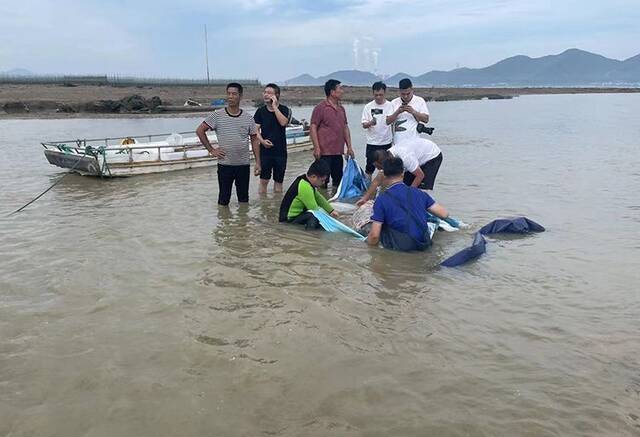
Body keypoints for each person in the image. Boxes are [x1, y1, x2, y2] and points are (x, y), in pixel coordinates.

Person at [196, 82, 260, 206]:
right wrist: (211, 150)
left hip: (243, 164)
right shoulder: (217, 115)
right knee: (223, 199)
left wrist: (258, 162)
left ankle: (242, 224)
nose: (231, 97)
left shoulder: (248, 118)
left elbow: (254, 140)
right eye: (229, 94)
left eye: (234, 94)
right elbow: (200, 130)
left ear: (240, 96)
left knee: (244, 200)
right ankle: (224, 224)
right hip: (225, 164)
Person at [367, 157, 450, 251]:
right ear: (402, 173)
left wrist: (369, 249)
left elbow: (374, 236)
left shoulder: (381, 200)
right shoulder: (420, 193)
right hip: (424, 244)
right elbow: (444, 214)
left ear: (384, 175)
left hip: (402, 247)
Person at [356, 139, 442, 206]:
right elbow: (377, 181)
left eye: (378, 166)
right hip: (416, 158)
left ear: (382, 162)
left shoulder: (405, 157)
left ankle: (429, 210)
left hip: (432, 156)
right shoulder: (388, 157)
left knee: (422, 189)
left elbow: (420, 175)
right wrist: (365, 198)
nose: (378, 169)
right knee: (405, 185)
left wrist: (409, 194)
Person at [310, 79, 355, 189]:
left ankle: (336, 204)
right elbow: (313, 127)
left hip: (338, 152)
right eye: (340, 88)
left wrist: (349, 147)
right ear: (332, 92)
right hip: (324, 153)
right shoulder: (321, 107)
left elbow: (345, 127)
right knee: (322, 182)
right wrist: (316, 148)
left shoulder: (341, 109)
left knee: (338, 181)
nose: (342, 91)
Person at [254, 83, 292, 194]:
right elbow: (255, 130)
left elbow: (283, 122)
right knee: (263, 181)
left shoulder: (285, 109)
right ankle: (263, 208)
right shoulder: (260, 111)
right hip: (265, 152)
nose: (266, 95)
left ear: (277, 95)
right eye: (265, 92)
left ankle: (276, 206)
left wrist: (274, 106)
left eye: (269, 93)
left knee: (279, 182)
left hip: (280, 152)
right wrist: (262, 141)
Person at [279, 160, 339, 229]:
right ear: (314, 177)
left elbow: (319, 198)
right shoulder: (304, 187)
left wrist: (331, 210)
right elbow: (314, 209)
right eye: (322, 180)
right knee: (313, 216)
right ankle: (311, 236)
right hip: (287, 221)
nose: (323, 183)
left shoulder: (306, 182)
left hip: (298, 216)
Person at [361, 81, 394, 179]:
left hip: (386, 142)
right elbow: (364, 124)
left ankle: (384, 189)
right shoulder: (368, 107)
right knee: (369, 168)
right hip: (372, 143)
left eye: (381, 95)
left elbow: (392, 121)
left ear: (385, 93)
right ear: (373, 93)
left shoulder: (390, 105)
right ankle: (368, 188)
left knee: (386, 168)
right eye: (376, 95)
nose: (378, 97)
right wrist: (370, 123)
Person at [386, 78, 430, 144]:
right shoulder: (394, 102)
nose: (405, 96)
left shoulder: (420, 101)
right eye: (403, 94)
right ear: (399, 91)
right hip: (398, 143)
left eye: (408, 93)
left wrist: (413, 112)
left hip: (414, 142)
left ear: (412, 90)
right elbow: (387, 121)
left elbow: (426, 119)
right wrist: (397, 112)